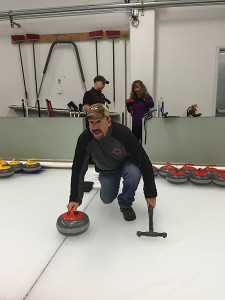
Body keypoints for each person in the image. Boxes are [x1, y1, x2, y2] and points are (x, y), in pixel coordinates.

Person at [67, 103, 157, 222]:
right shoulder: (84, 139)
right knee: (107, 199)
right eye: (91, 122)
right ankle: (110, 185)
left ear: (108, 121)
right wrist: (75, 198)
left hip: (126, 164)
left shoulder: (122, 133)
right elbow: (78, 169)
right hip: (107, 170)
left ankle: (125, 204)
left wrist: (150, 193)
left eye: (99, 121)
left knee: (133, 173)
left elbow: (144, 161)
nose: (94, 127)